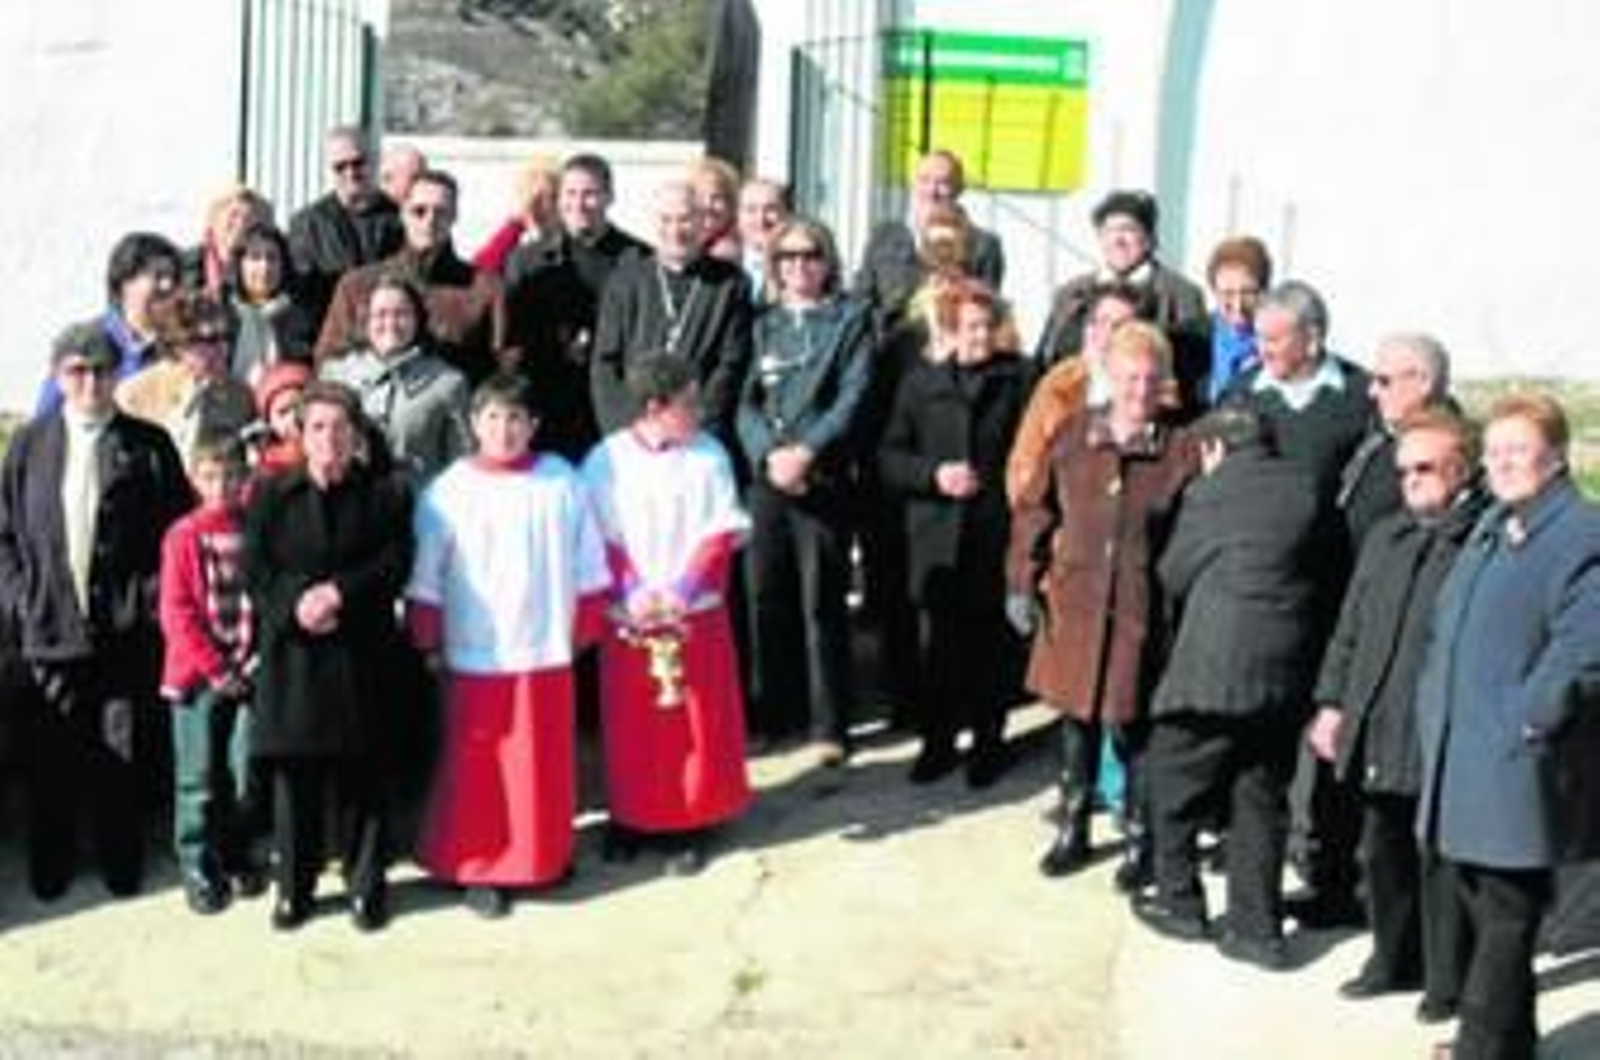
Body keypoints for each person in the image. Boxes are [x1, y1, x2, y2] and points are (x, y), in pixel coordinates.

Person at [1414, 394, 1600, 1060]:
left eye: (1517, 451)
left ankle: (1479, 1048)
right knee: (1485, 903)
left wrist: (1527, 721)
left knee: (1507, 916)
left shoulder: (1582, 531)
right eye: (1493, 453)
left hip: (1519, 760)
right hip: (1463, 756)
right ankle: (1512, 1045)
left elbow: (1584, 649)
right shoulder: (1497, 523)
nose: (1503, 464)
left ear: (1555, 456)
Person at [406, 373, 609, 917]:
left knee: (541, 764)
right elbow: (427, 573)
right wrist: (427, 633)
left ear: (533, 426)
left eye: (516, 418)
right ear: (474, 424)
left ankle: (542, 856)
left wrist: (587, 619)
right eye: (493, 417)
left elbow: (588, 558)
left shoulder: (562, 481)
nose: (504, 429)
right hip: (476, 651)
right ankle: (478, 866)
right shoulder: (449, 491)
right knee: (479, 768)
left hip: (544, 646)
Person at [0, 322, 191, 901]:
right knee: (50, 752)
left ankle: (120, 861)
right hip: (48, 626)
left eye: (101, 370)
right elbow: (5, 534)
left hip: (123, 631)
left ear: (116, 375)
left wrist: (150, 601)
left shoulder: (148, 444)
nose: (89, 382)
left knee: (121, 751)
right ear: (59, 377)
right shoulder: (30, 445)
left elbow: (175, 534)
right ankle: (52, 863)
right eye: (76, 371)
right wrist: (19, 598)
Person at [1307, 409, 1483, 1020]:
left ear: (1462, 468)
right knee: (1380, 851)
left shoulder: (1480, 540)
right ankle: (1391, 959)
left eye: (1425, 467)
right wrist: (1331, 703)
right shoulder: (1387, 534)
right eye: (1403, 468)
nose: (1410, 479)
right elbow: (1349, 628)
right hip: (1376, 721)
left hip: (1439, 729)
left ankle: (1446, 980)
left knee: (1441, 862)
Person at [1133, 405, 1323, 972]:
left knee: (1167, 783)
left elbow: (1173, 572)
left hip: (1212, 670)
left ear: (1216, 448)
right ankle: (1256, 930)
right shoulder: (1306, 489)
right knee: (1259, 797)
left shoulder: (1209, 494)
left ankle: (1179, 903)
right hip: (1284, 673)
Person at [1006, 322, 1198, 882]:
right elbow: (1034, 512)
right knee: (1075, 722)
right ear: (1109, 377)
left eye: (1149, 378)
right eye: (1129, 376)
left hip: (1141, 608)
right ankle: (1072, 826)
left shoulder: (1179, 449)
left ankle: (1140, 837)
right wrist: (1022, 581)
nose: (1139, 389)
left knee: (1132, 725)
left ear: (1163, 381)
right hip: (1075, 602)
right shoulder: (1071, 435)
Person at [1228, 280, 1375, 928]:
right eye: (1258, 338)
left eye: (1274, 338)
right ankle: (1262, 870)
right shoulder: (1245, 394)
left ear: (1313, 337)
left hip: (1334, 597)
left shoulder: (1355, 399)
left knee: (1331, 741)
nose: (1261, 349)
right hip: (1262, 601)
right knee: (1266, 741)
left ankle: (1334, 878)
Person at [244, 381, 413, 932]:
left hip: (360, 651)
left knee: (362, 777)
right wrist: (297, 604)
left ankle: (367, 885)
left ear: (357, 435)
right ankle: (294, 888)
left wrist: (340, 592)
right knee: (296, 782)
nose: (330, 438)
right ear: (300, 434)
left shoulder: (384, 493)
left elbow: (396, 561)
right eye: (318, 427)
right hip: (294, 658)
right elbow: (256, 571)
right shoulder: (271, 494)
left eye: (341, 428)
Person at [583, 356, 752, 873]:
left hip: (690, 609)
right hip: (630, 612)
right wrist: (632, 589)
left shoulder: (709, 456)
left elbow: (720, 531)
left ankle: (690, 819)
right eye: (689, 402)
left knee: (692, 719)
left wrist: (683, 587)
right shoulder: (605, 459)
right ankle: (631, 816)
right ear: (655, 408)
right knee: (632, 722)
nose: (699, 410)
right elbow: (597, 535)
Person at [878, 280, 1030, 787]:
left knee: (991, 648)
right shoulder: (921, 385)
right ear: (950, 329)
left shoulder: (1018, 380)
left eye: (987, 326)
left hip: (993, 533)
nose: (979, 337)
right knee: (937, 649)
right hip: (936, 537)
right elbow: (890, 457)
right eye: (969, 327)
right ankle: (937, 743)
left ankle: (989, 742)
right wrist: (933, 476)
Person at [735, 219, 873, 761]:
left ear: (827, 260)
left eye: (810, 255)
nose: (798, 266)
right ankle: (774, 713)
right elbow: (743, 399)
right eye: (787, 257)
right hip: (768, 476)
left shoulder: (849, 321)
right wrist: (768, 455)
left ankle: (828, 724)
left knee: (822, 600)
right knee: (765, 595)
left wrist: (808, 451)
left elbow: (853, 395)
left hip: (823, 475)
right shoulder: (761, 324)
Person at [158, 435, 263, 915]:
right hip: (198, 677)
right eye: (210, 476)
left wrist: (251, 660)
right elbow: (177, 613)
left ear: (245, 479)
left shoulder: (254, 528)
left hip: (249, 668)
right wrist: (216, 668)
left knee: (244, 771)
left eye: (231, 476)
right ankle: (196, 860)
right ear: (194, 480)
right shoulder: (183, 534)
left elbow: (267, 597)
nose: (221, 486)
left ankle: (236, 850)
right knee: (197, 776)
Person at [501, 152, 651, 460]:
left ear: (609, 197)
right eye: (570, 193)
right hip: (546, 408)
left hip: (613, 409)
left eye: (590, 194)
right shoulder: (527, 261)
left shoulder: (638, 259)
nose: (579, 204)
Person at [591, 180, 754, 440]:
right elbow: (605, 364)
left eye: (685, 219)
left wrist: (696, 420)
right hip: (634, 433)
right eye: (666, 220)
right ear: (654, 223)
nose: (675, 230)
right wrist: (628, 428)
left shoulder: (731, 284)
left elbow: (730, 365)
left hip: (699, 431)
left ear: (703, 221)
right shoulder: (625, 280)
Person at [315, 169, 506, 385]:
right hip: (371, 412)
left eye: (441, 212)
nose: (430, 221)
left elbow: (505, 372)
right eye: (419, 211)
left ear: (454, 217)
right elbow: (328, 362)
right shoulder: (357, 285)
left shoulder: (484, 290)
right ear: (403, 214)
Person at [1034, 190, 1208, 400]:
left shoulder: (1182, 295)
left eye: (1129, 229)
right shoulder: (1070, 293)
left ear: (1150, 237)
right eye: (1108, 230)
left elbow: (1193, 373)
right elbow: (1045, 361)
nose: (1118, 239)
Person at [319, 275, 471, 484]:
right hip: (349, 505)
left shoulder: (449, 382)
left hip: (419, 506)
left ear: (417, 320)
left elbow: (462, 464)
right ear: (366, 321)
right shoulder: (335, 374)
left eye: (401, 314)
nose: (390, 323)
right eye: (380, 314)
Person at [1005, 282, 1146, 504]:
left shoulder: (1154, 389)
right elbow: (1026, 458)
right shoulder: (1059, 382)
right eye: (1100, 321)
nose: (1107, 332)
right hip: (1061, 517)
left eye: (1119, 326)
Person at [854, 148, 1005, 332]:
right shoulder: (884, 236)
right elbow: (861, 302)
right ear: (913, 184)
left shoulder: (984, 246)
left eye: (943, 183)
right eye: (924, 180)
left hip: (950, 352)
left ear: (960, 189)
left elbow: (984, 312)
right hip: (888, 349)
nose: (932, 191)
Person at [36, 232, 182, 414]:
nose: (168, 286)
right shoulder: (83, 343)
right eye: (158, 276)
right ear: (124, 282)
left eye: (174, 278)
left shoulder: (185, 348)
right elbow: (44, 421)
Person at [116, 290, 257, 465]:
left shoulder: (239, 397)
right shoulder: (135, 395)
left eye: (225, 338)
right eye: (209, 341)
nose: (222, 350)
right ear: (178, 345)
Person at [288, 125, 404, 332]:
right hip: (330, 337)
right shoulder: (307, 225)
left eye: (358, 162)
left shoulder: (402, 219)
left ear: (374, 161)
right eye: (340, 166)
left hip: (389, 335)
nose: (351, 172)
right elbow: (301, 297)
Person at [222, 221, 315, 385]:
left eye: (272, 258)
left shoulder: (304, 314)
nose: (264, 267)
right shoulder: (221, 313)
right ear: (239, 264)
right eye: (255, 257)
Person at [1200, 235, 1272, 403]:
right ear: (1213, 291)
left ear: (1265, 290)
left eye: (1248, 293)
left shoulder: (1278, 342)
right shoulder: (1188, 340)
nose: (1238, 305)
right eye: (1228, 293)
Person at [472, 152, 560, 276]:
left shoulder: (571, 234)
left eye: (553, 197)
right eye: (537, 199)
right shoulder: (511, 233)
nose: (547, 205)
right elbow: (480, 269)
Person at [182, 184, 276, 297]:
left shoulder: (279, 274)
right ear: (212, 222)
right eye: (233, 215)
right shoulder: (180, 269)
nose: (240, 224)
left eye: (250, 220)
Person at [736, 176, 791, 300]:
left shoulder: (801, 267)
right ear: (738, 216)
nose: (760, 219)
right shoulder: (725, 265)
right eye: (751, 210)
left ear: (787, 214)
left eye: (770, 209)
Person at [691, 155, 744, 262]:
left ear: (731, 205)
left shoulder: (729, 251)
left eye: (717, 197)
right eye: (700, 196)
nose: (708, 205)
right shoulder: (688, 243)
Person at [379, 142, 428, 208]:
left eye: (424, 177)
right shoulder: (372, 213)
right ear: (390, 177)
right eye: (415, 178)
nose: (422, 184)